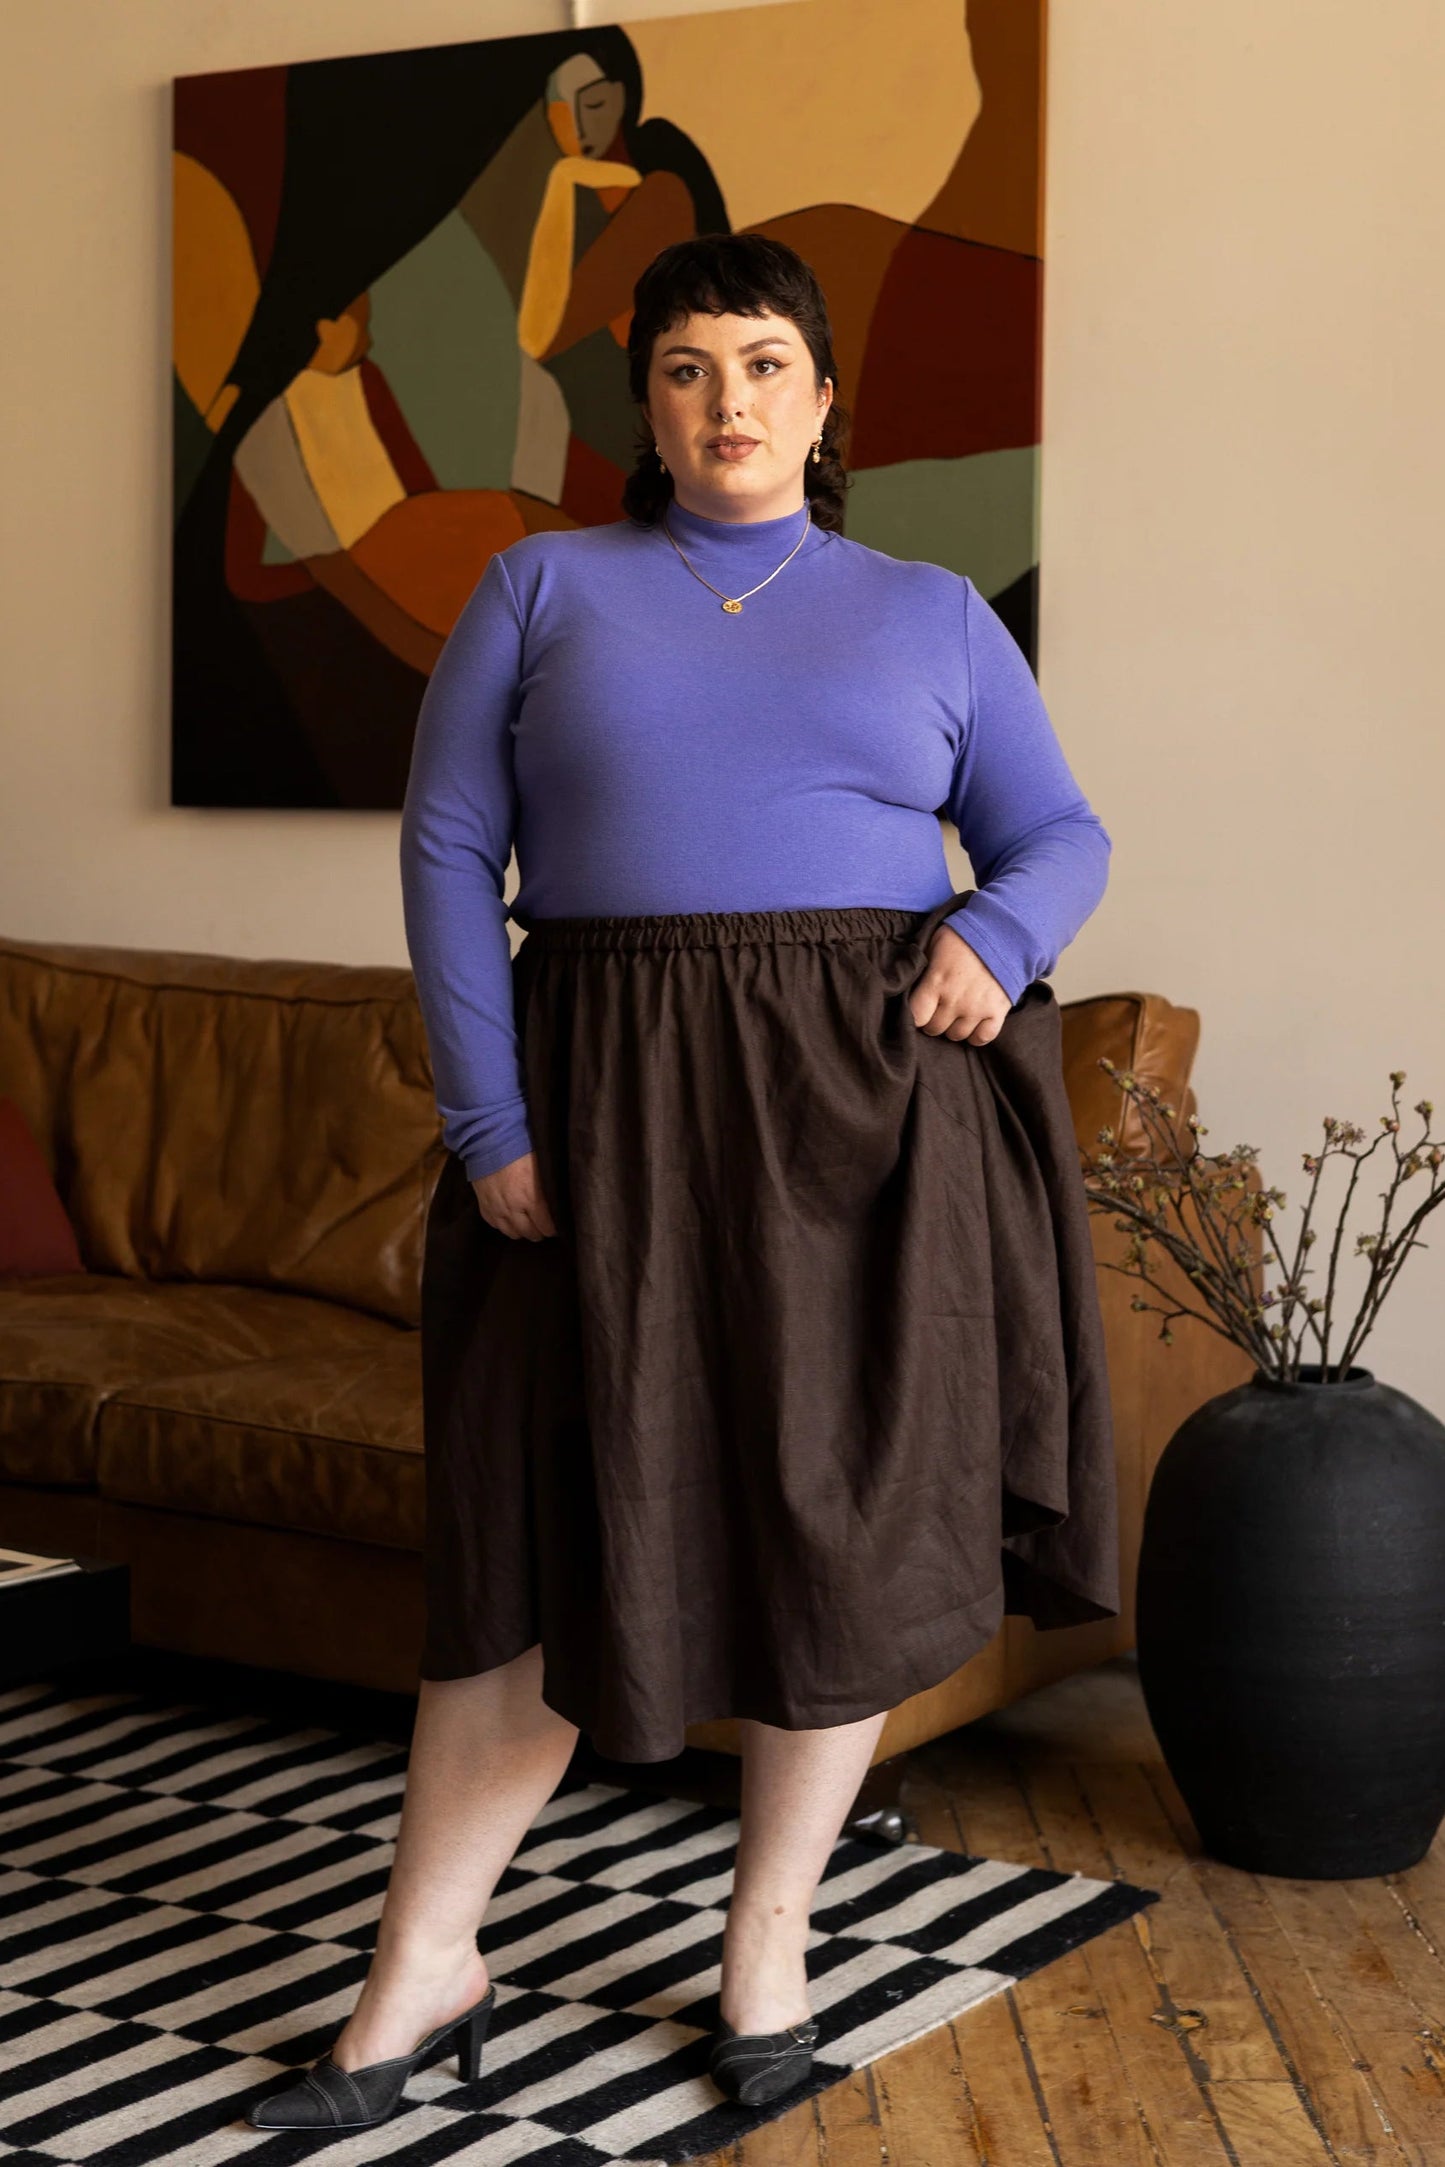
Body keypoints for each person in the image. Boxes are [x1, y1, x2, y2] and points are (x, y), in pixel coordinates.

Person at [247, 232, 1118, 2133]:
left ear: (824, 401)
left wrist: (1001, 926)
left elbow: (1060, 826)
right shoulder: (537, 583)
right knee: (538, 1542)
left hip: (864, 1120)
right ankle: (425, 1960)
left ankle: (769, 1938)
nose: (728, 399)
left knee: (836, 1526)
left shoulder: (932, 608)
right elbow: (448, 846)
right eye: (687, 367)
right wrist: (489, 1125)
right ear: (642, 403)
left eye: (765, 364)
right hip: (597, 1107)